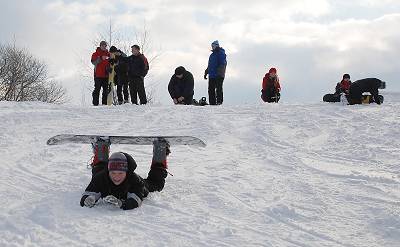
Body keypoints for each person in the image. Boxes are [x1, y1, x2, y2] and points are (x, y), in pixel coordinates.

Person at [80, 138, 170, 210]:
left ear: (126, 172)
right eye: (113, 173)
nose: (116, 176)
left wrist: (121, 203)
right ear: (108, 172)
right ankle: (101, 147)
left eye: (120, 173)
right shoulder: (101, 177)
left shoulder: (135, 180)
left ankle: (160, 152)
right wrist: (88, 199)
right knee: (98, 170)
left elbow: (136, 200)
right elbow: (89, 192)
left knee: (156, 185)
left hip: (138, 185)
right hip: (103, 174)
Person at [204, 40, 227, 105]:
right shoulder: (212, 55)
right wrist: (206, 72)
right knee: (211, 89)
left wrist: (219, 73)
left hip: (219, 74)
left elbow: (223, 63)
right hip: (212, 75)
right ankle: (212, 103)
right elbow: (210, 65)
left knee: (218, 88)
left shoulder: (221, 53)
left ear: (217, 45)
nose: (212, 47)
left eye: (213, 45)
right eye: (212, 46)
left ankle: (219, 102)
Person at [91, 41, 110, 106]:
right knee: (97, 89)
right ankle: (95, 104)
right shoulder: (95, 54)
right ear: (100, 46)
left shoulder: (109, 54)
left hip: (106, 75)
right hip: (98, 75)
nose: (104, 47)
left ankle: (104, 104)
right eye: (103, 45)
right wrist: (101, 58)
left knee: (105, 90)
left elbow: (112, 63)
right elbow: (94, 62)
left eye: (105, 46)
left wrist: (110, 68)